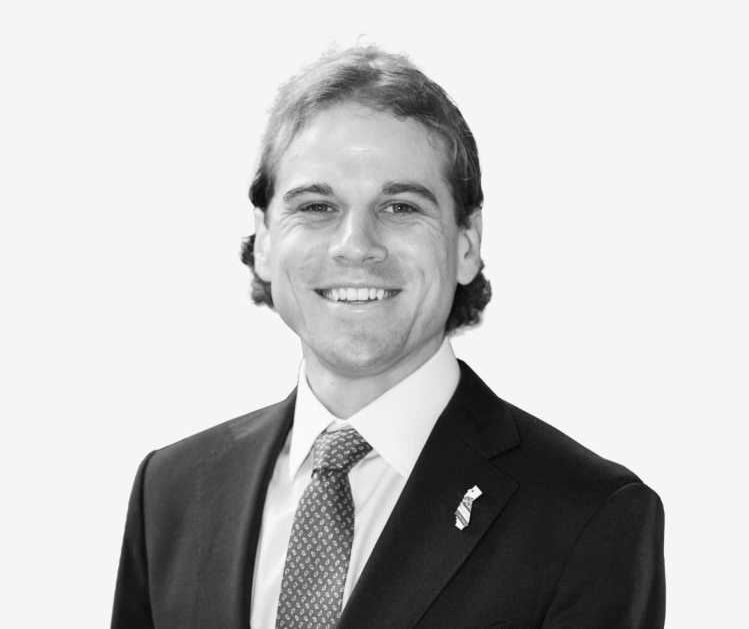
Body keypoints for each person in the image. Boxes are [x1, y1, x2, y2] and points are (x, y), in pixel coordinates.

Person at [112, 46, 665, 629]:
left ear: (467, 243)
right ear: (266, 241)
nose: (355, 244)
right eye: (317, 206)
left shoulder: (588, 516)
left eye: (400, 207)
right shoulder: (171, 492)